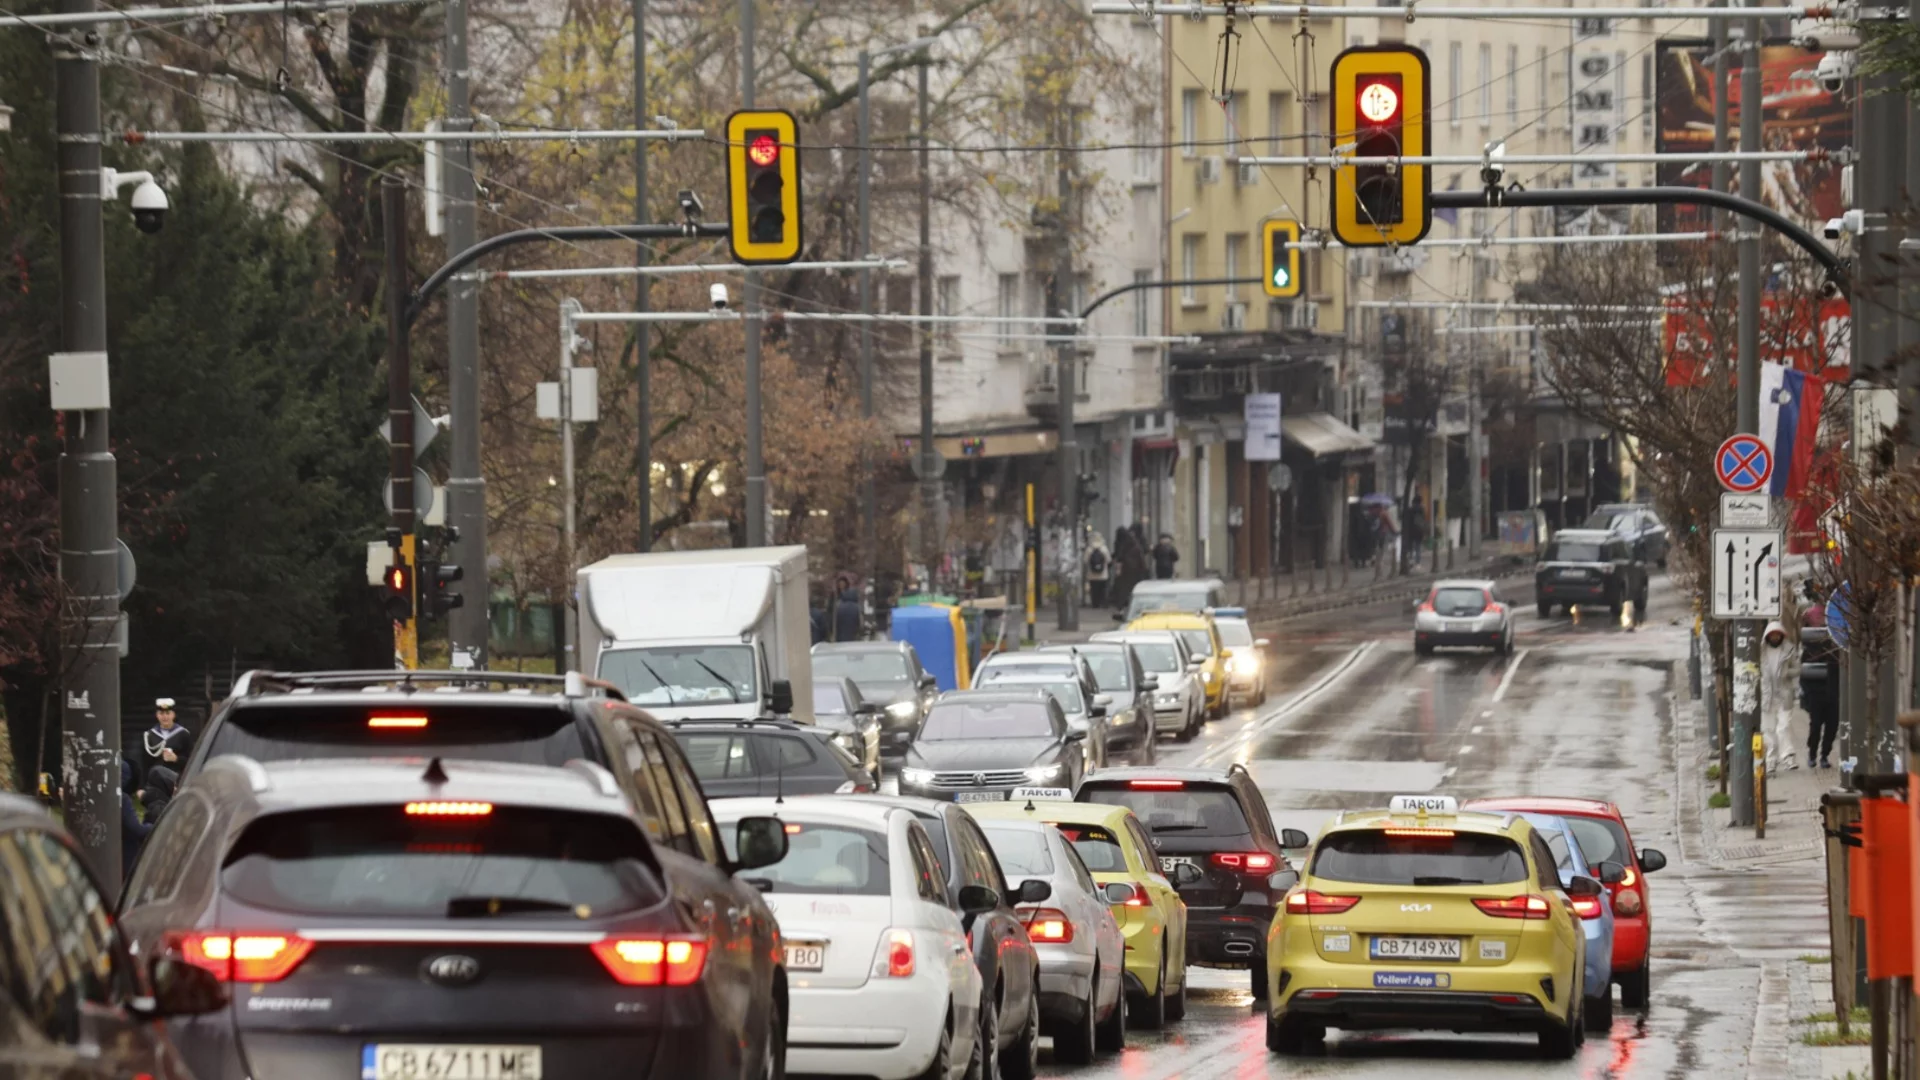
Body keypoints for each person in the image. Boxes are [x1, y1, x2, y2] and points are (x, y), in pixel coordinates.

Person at [1761, 620, 1801, 771]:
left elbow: (1797, 669)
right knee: (1768, 729)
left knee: (1783, 727)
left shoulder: (1789, 650)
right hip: (1767, 696)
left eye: (1778, 635)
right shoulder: (1761, 652)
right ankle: (1770, 759)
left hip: (1784, 695)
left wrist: (1787, 673)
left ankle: (1788, 756)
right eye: (1772, 635)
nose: (1775, 637)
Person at [1800, 629, 1841, 769]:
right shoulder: (1808, 653)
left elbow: (1840, 674)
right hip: (1815, 697)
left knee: (1832, 727)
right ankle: (1812, 754)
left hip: (1833, 696)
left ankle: (1824, 755)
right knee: (1815, 726)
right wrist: (1807, 695)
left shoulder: (1835, 653)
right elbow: (1803, 676)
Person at [140, 697, 194, 783]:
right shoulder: (150, 735)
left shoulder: (183, 734)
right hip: (155, 781)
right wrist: (142, 787)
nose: (165, 717)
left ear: (173, 715)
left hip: (176, 780)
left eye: (168, 713)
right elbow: (145, 764)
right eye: (161, 713)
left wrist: (176, 759)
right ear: (157, 715)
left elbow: (192, 761)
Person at [832, 576, 863, 642]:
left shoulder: (840, 605)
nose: (841, 586)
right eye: (840, 584)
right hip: (851, 633)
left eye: (843, 584)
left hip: (841, 633)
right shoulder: (856, 606)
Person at [1085, 533, 1112, 608]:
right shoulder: (1104, 548)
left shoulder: (1089, 549)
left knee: (1094, 590)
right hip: (1103, 575)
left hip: (1092, 575)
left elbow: (1085, 561)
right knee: (1103, 590)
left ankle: (1095, 604)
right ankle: (1103, 603)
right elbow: (1109, 560)